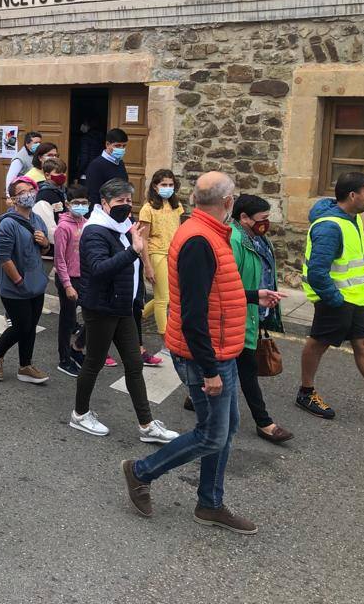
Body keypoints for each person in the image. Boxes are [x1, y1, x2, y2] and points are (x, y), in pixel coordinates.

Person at [122, 172, 281, 534]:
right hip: (205, 354)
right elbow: (193, 313)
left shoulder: (210, 232)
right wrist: (209, 369)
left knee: (226, 429)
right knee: (212, 433)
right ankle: (141, 471)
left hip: (219, 348)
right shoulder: (199, 239)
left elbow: (215, 294)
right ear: (228, 203)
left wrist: (254, 296)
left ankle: (209, 503)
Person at [70, 178, 178, 444]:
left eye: (129, 201)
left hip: (123, 307)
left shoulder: (123, 226)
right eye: (120, 201)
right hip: (101, 308)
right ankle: (80, 414)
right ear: (104, 203)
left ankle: (147, 424)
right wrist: (133, 250)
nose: (126, 206)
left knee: (133, 364)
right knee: (93, 363)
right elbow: (97, 269)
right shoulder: (96, 231)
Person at [297, 171, 364, 419]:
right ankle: (306, 392)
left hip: (358, 298)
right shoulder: (329, 227)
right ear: (353, 195)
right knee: (318, 343)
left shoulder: (353, 217)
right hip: (336, 300)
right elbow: (318, 273)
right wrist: (336, 300)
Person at [225, 194, 292, 443]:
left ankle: (195, 393)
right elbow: (224, 287)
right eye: (262, 218)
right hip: (237, 314)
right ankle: (264, 422)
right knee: (247, 367)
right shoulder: (233, 240)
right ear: (243, 217)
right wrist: (254, 298)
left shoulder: (258, 239)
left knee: (231, 365)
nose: (267, 223)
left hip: (254, 310)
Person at [0, 176, 51, 384]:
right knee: (21, 326)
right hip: (15, 287)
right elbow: (4, 258)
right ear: (13, 199)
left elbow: (45, 250)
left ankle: (25, 366)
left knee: (31, 325)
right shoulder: (7, 225)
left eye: (30, 190)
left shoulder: (37, 220)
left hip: (36, 283)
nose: (28, 194)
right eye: (22, 192)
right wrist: (19, 282)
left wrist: (45, 243)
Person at [139, 169, 184, 364]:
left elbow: (180, 230)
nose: (167, 188)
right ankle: (166, 341)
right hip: (157, 254)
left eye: (170, 185)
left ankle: (134, 318)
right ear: (155, 186)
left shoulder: (177, 205)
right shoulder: (147, 209)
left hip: (174, 253)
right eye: (163, 185)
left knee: (168, 297)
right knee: (163, 299)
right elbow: (143, 239)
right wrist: (147, 266)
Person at [53, 184, 90, 376]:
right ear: (68, 204)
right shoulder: (63, 228)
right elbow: (59, 259)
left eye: (84, 203)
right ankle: (64, 358)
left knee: (93, 316)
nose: (81, 206)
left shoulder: (88, 224)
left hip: (85, 278)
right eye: (77, 203)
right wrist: (67, 285)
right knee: (67, 321)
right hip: (68, 279)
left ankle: (77, 349)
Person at [84, 128, 129, 207]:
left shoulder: (120, 163)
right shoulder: (96, 165)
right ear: (107, 144)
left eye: (124, 146)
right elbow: (93, 195)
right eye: (117, 146)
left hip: (120, 209)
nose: (121, 149)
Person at [32, 156, 68, 244]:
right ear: (47, 175)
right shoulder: (44, 195)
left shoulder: (62, 191)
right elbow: (47, 225)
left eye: (63, 172)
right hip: (53, 242)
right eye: (58, 173)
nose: (63, 175)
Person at [76, 117, 105, 182]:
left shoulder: (85, 138)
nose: (82, 126)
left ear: (89, 125)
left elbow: (84, 158)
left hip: (86, 173)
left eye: (84, 124)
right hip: (99, 171)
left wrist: (78, 173)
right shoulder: (102, 137)